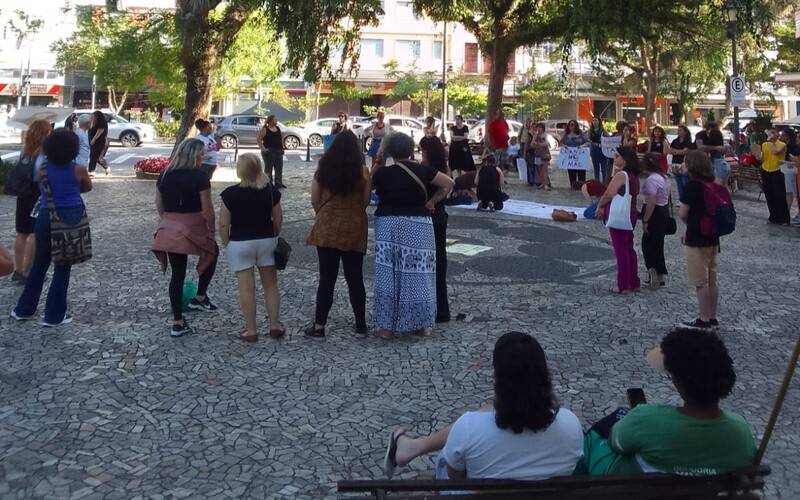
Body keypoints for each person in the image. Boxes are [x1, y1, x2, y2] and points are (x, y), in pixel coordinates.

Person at [383, 331, 583, 480]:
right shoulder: (571, 426)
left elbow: (455, 478)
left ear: (496, 377)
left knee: (452, 455)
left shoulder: (469, 428)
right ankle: (413, 446)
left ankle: (415, 446)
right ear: (544, 374)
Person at [580, 328, 755, 476]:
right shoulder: (740, 432)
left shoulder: (645, 420)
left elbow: (616, 443)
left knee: (594, 439)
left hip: (635, 491)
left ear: (678, 383)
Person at [370, 132, 454, 339]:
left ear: (389, 150)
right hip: (418, 224)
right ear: (411, 149)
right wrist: (433, 201)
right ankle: (421, 324)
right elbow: (449, 183)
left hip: (388, 223)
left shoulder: (382, 173)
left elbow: (365, 192)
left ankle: (387, 326)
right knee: (418, 273)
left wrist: (379, 159)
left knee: (388, 274)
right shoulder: (424, 170)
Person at [11, 129, 92, 327]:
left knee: (39, 263)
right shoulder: (78, 169)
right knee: (63, 266)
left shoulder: (42, 168)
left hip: (46, 215)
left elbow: (40, 186)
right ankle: (55, 315)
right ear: (72, 150)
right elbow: (87, 187)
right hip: (70, 215)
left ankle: (24, 309)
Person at [305, 131, 370, 338]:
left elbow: (315, 200)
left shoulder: (323, 170)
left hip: (327, 227)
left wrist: (324, 215)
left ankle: (319, 325)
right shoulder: (363, 172)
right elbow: (365, 202)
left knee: (327, 278)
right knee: (355, 278)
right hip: (354, 227)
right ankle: (361, 324)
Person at [152, 138, 219, 338]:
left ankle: (178, 322)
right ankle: (200, 296)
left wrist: (167, 220)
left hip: (171, 226)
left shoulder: (165, 174)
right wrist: (212, 230)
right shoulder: (200, 176)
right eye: (201, 154)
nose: (203, 157)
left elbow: (159, 203)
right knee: (212, 253)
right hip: (194, 224)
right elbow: (207, 207)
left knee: (177, 274)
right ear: (194, 155)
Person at [219, 153, 285, 342]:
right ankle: (274, 325)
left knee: (246, 289)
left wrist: (227, 243)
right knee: (271, 285)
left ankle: (251, 330)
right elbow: (278, 218)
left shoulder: (229, 194)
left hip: (240, 242)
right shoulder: (270, 191)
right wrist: (274, 234)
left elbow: (223, 224)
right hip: (266, 239)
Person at [677, 151, 721, 331]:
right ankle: (712, 317)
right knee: (711, 278)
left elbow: (683, 213)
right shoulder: (712, 183)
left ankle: (703, 319)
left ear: (692, 165)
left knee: (700, 280)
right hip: (713, 236)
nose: (683, 165)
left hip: (697, 237)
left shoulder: (692, 186)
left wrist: (689, 227)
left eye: (685, 163)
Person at [595, 147, 641, 294]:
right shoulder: (633, 175)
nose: (614, 158)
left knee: (620, 250)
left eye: (617, 156)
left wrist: (600, 205)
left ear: (625, 159)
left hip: (620, 215)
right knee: (628, 248)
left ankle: (623, 284)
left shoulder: (622, 175)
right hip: (631, 214)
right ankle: (633, 281)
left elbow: (609, 193)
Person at [10, 120, 50, 285]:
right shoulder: (45, 153)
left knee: (21, 233)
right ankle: (27, 271)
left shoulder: (24, 150)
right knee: (34, 233)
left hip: (23, 195)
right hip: (37, 195)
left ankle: (18, 270)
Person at [420, 136, 451, 323]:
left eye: (422, 150)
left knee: (431, 263)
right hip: (438, 216)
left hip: (431, 216)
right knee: (439, 262)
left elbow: (447, 186)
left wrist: (432, 201)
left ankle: (436, 307)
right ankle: (441, 309)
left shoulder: (428, 170)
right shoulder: (442, 167)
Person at [640, 153, 671, 289]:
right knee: (659, 243)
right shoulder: (665, 178)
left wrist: (646, 220)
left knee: (648, 243)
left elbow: (651, 201)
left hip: (655, 212)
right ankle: (660, 274)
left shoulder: (652, 180)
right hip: (663, 210)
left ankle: (652, 270)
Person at [752, 128, 790, 225]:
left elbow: (775, 152)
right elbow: (762, 158)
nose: (771, 134)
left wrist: (770, 141)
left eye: (773, 133)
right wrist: (757, 155)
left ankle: (784, 219)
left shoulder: (782, 145)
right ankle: (773, 217)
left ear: (777, 134)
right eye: (770, 133)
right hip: (766, 170)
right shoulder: (764, 144)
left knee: (779, 195)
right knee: (769, 195)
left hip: (777, 171)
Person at [560, 119, 591, 190]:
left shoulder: (581, 134)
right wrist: (564, 146)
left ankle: (582, 188)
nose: (571, 126)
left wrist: (582, 146)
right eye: (570, 125)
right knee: (571, 173)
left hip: (580, 158)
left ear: (576, 125)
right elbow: (561, 142)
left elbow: (588, 142)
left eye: (573, 124)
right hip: (570, 158)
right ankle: (573, 187)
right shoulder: (566, 135)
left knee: (581, 174)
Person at [257, 115, 285, 189]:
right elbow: (259, 139)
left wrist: (282, 148)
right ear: (270, 121)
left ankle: (278, 183)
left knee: (279, 168)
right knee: (268, 169)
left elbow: (280, 139)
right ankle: (268, 184)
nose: (276, 121)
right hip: (269, 151)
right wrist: (263, 149)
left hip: (278, 150)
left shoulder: (278, 128)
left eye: (276, 120)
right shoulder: (265, 129)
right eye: (275, 120)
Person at [669, 125, 695, 202]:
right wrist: (679, 151)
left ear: (685, 132)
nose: (678, 132)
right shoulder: (675, 141)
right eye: (678, 130)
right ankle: (681, 200)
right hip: (675, 164)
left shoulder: (688, 142)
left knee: (685, 183)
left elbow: (686, 151)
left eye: (680, 130)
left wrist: (677, 151)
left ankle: (687, 200)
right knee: (679, 183)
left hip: (684, 165)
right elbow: (670, 151)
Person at [779, 128, 799, 223]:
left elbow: (794, 161)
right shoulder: (788, 145)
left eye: (782, 135)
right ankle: (787, 213)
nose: (781, 136)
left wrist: (783, 161)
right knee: (791, 193)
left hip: (790, 171)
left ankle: (788, 213)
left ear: (787, 136)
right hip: (789, 171)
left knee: (792, 193)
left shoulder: (791, 146)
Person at [531, 123, 552, 190]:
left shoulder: (545, 135)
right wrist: (534, 139)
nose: (539, 129)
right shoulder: (535, 135)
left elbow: (547, 143)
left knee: (544, 170)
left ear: (543, 128)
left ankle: (546, 184)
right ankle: (542, 183)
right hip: (537, 154)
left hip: (545, 154)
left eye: (540, 127)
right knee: (539, 170)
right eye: (538, 127)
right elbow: (532, 144)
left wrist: (538, 144)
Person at [88, 111, 109, 176]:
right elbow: (90, 130)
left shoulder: (102, 122)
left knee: (97, 157)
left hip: (100, 142)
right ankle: (91, 171)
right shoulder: (94, 122)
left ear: (97, 117)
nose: (92, 117)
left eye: (93, 116)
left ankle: (92, 171)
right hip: (94, 142)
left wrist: (94, 139)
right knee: (93, 156)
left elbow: (100, 131)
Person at [589, 118, 607, 182]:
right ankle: (597, 182)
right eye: (593, 120)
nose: (594, 122)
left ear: (599, 122)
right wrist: (593, 143)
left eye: (596, 120)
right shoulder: (590, 130)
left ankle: (605, 182)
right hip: (594, 151)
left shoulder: (603, 130)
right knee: (596, 169)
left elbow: (608, 138)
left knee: (604, 169)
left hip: (602, 151)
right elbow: (588, 140)